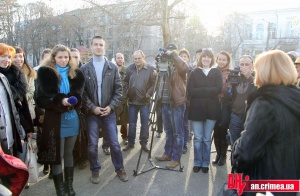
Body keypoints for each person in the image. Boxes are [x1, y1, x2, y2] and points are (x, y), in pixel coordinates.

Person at [232, 50, 300, 196]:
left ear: (264, 72)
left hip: (264, 182)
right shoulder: (295, 98)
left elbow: (246, 153)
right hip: (289, 182)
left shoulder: (265, 103)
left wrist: (235, 149)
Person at [36, 44, 85, 196]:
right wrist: (59, 102)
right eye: (60, 57)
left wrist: (73, 101)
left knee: (69, 153)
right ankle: (60, 190)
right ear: (53, 58)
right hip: (55, 121)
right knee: (57, 155)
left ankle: (69, 187)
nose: (63, 60)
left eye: (66, 57)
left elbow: (79, 95)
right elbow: (41, 99)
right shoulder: (45, 73)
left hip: (72, 120)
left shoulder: (76, 73)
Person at [80, 36, 128, 184]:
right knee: (93, 144)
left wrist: (111, 107)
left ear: (104, 47)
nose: (98, 47)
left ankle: (119, 168)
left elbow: (118, 91)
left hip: (109, 112)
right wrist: (92, 107)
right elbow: (82, 93)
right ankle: (95, 170)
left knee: (114, 143)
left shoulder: (112, 68)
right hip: (92, 113)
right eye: (96, 44)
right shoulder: (84, 69)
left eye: (101, 45)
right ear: (92, 46)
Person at [187, 49, 222, 173]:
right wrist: (208, 91)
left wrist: (200, 91)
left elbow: (218, 89)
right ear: (200, 58)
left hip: (212, 110)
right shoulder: (195, 72)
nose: (206, 59)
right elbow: (190, 90)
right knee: (198, 138)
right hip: (196, 110)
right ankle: (197, 162)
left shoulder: (216, 72)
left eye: (209, 57)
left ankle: (205, 163)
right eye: (204, 57)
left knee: (207, 138)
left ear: (212, 59)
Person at [154, 43, 189, 169]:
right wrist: (158, 59)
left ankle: (176, 158)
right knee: (168, 131)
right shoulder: (163, 66)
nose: (168, 54)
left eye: (172, 52)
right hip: (164, 102)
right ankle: (167, 153)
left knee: (177, 133)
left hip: (176, 104)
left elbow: (185, 68)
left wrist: (174, 55)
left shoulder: (178, 67)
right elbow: (157, 77)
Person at [122, 50, 156, 152]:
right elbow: (125, 82)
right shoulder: (129, 69)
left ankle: (144, 143)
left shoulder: (150, 69)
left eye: (139, 58)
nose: (137, 60)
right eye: (135, 58)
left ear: (143, 58)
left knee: (144, 124)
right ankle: (131, 143)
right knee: (132, 124)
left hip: (144, 102)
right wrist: (126, 94)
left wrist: (148, 94)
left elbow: (154, 84)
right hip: (132, 101)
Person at [0, 43, 25, 156]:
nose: (7, 60)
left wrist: (19, 134)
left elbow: (13, 110)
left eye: (9, 57)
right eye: (3, 56)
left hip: (9, 131)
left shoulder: (7, 78)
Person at [227, 55, 256, 146]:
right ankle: (234, 160)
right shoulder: (235, 76)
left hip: (249, 116)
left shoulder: (256, 78)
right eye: (241, 64)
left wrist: (249, 77)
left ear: (252, 65)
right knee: (234, 143)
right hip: (235, 114)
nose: (244, 67)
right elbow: (229, 95)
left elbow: (258, 90)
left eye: (247, 64)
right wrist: (229, 85)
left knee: (248, 144)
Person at [34, 48, 53, 178]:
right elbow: (36, 96)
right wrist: (41, 113)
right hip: (41, 111)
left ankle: (52, 167)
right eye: (46, 58)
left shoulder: (54, 73)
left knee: (53, 140)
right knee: (44, 139)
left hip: (53, 112)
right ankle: (46, 163)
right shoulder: (36, 73)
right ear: (42, 59)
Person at [69, 48, 89, 170]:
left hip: (83, 108)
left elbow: (88, 90)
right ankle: (75, 158)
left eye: (76, 57)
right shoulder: (66, 72)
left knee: (83, 135)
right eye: (72, 57)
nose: (74, 59)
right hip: (71, 108)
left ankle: (84, 158)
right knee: (73, 137)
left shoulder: (84, 70)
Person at [212, 51, 231, 166]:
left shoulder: (231, 73)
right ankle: (218, 154)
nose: (221, 61)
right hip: (214, 103)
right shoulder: (213, 71)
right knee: (215, 130)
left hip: (225, 103)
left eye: (224, 59)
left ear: (227, 61)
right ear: (216, 60)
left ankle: (223, 156)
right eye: (220, 59)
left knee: (223, 129)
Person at [178, 48, 193, 154]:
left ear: (188, 58)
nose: (183, 58)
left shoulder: (191, 70)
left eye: (185, 56)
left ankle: (184, 144)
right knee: (177, 122)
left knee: (185, 123)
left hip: (187, 100)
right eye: (181, 56)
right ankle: (178, 142)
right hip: (177, 100)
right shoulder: (175, 69)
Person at [115, 52, 129, 145]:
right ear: (115, 59)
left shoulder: (127, 70)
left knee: (124, 121)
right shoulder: (112, 69)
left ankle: (125, 137)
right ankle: (112, 140)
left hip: (124, 99)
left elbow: (129, 84)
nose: (120, 59)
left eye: (121, 58)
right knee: (112, 121)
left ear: (123, 59)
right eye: (118, 58)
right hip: (115, 100)